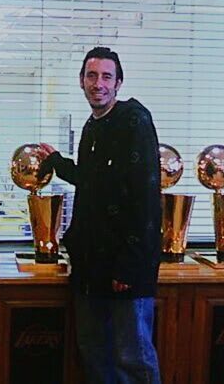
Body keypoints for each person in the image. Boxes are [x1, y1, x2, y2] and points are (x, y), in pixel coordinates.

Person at [39, 46, 162, 384]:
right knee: (93, 350)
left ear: (119, 83)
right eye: (92, 76)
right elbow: (95, 182)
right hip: (91, 265)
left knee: (132, 357)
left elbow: (145, 197)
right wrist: (59, 163)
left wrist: (129, 264)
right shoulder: (93, 127)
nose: (99, 83)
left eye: (107, 76)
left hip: (126, 267)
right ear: (81, 81)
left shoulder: (134, 120)